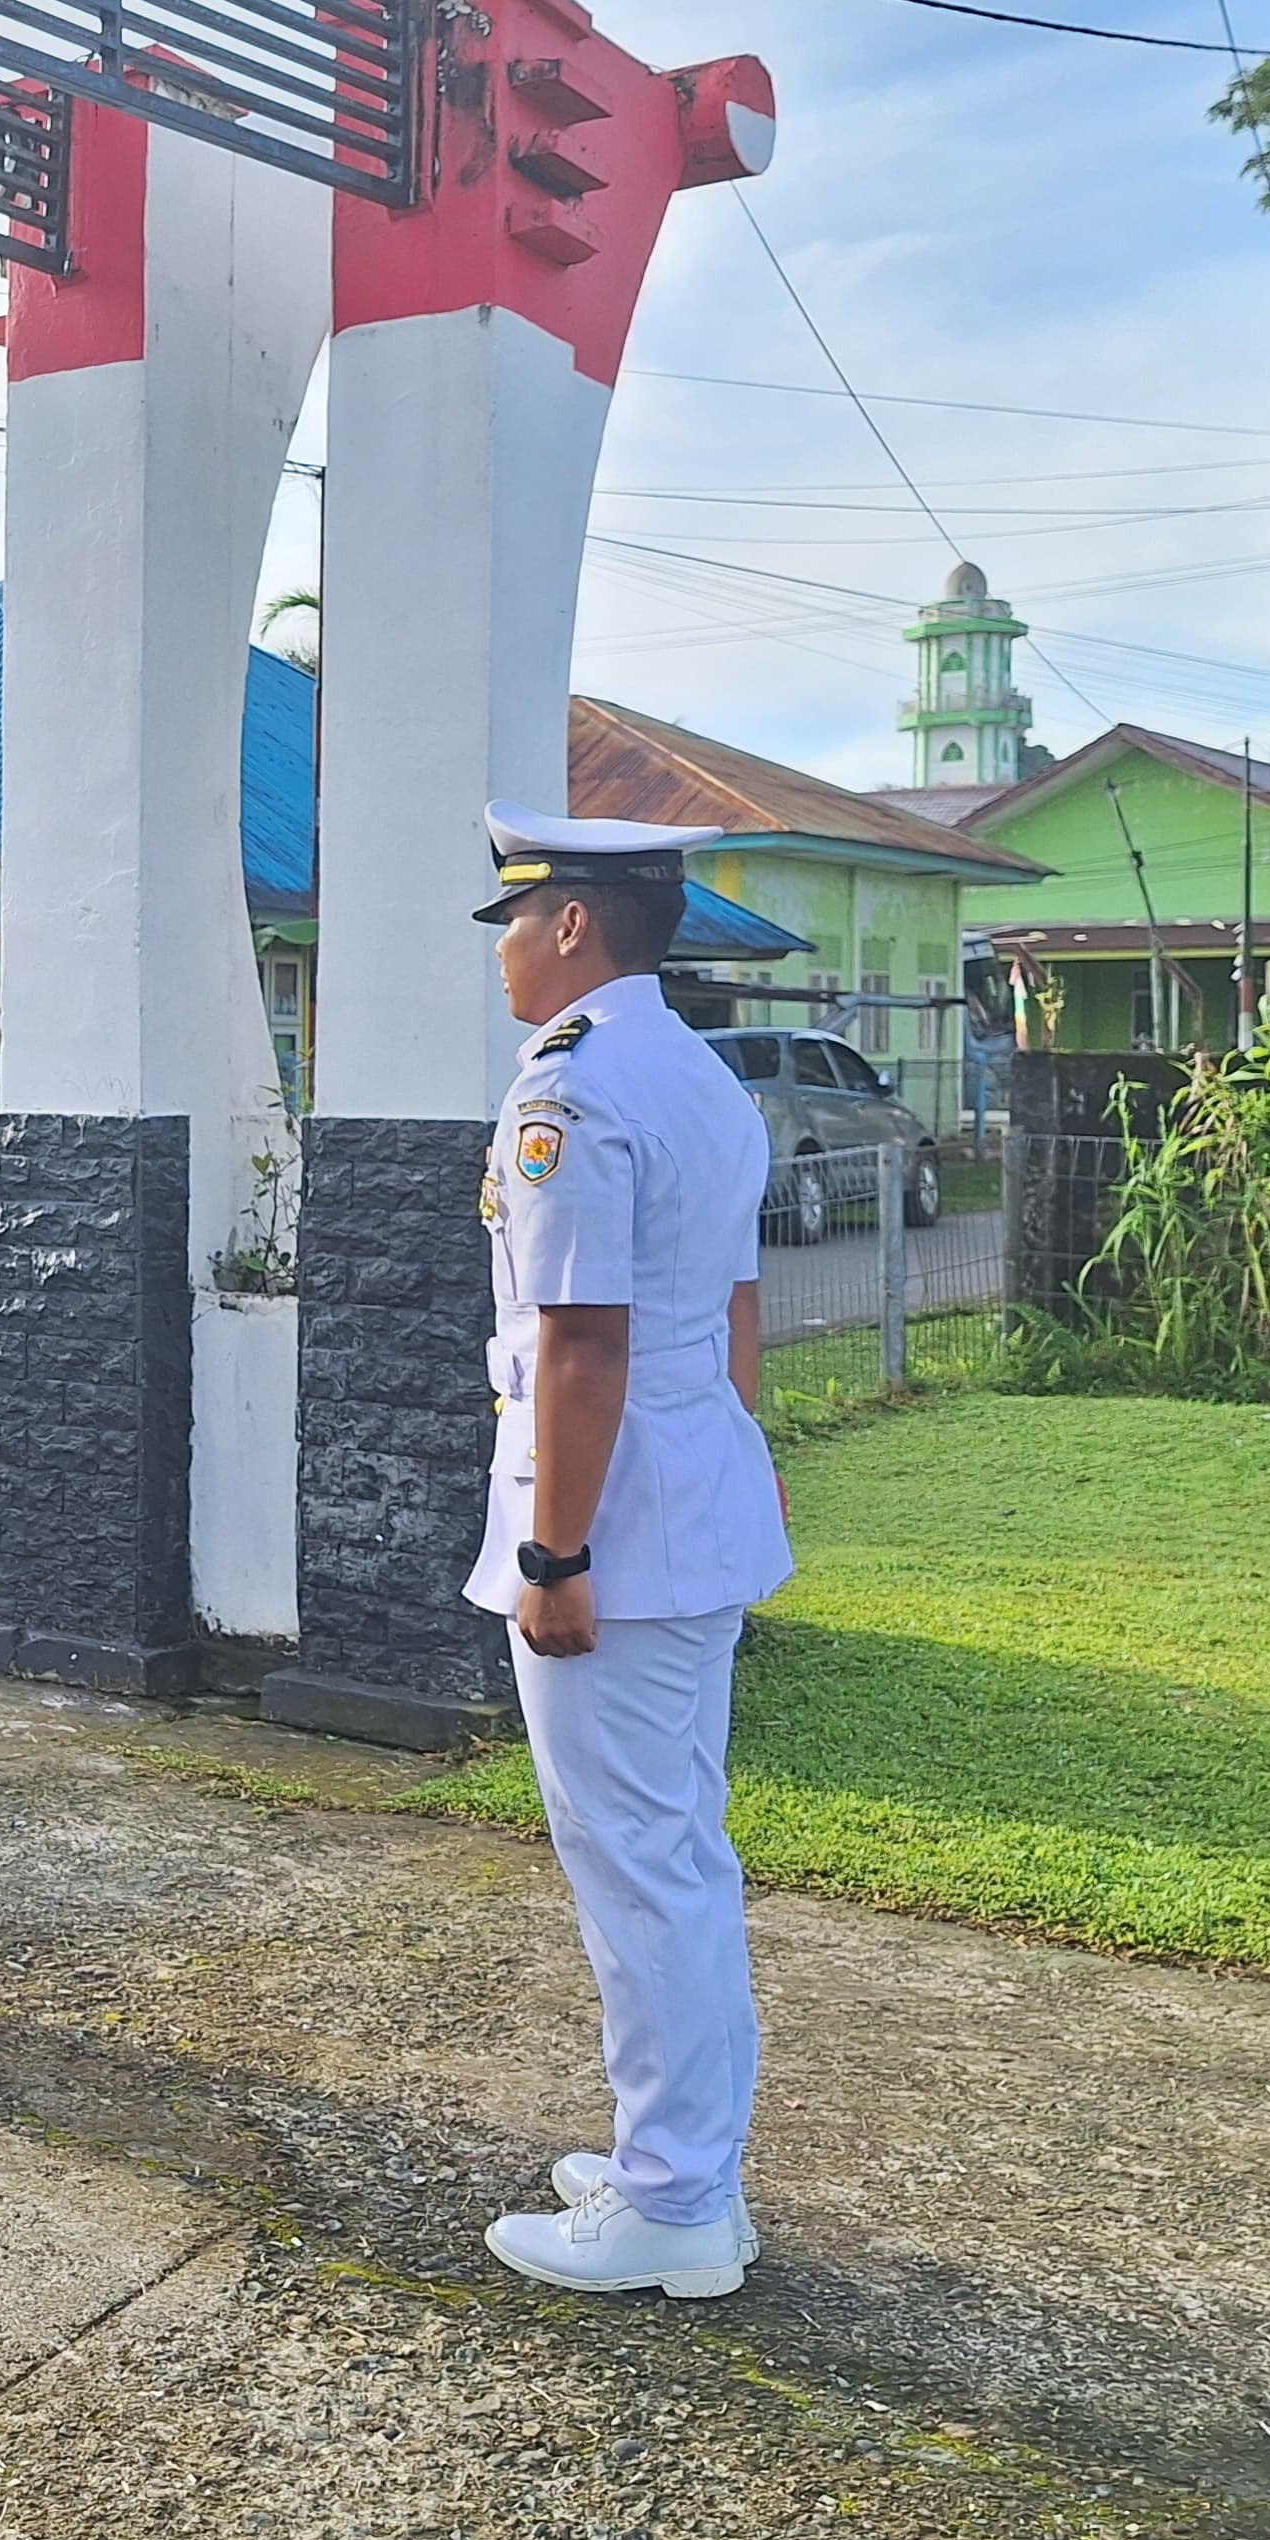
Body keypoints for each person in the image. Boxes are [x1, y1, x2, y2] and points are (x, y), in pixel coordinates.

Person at [461, 805, 793, 2301]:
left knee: (641, 1869)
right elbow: (731, 1325)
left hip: (614, 1532)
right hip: (688, 1505)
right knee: (675, 1858)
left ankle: (671, 2200)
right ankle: (683, 2175)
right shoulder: (702, 1076)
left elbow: (580, 1344)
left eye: (517, 923)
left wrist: (555, 1557)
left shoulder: (575, 1093)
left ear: (575, 924)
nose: (510, 955)